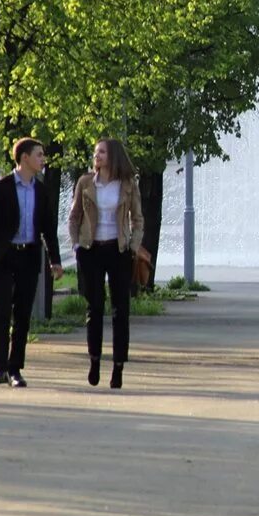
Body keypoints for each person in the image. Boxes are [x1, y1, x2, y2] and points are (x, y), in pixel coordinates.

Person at [0, 138, 64, 388]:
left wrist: (55, 260)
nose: (43, 159)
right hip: (4, 258)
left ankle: (15, 369)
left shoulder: (41, 190)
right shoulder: (1, 187)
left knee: (23, 315)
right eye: (39, 155)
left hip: (28, 257)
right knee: (3, 311)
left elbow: (49, 229)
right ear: (24, 158)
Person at [68, 138, 144, 389]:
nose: (97, 155)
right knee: (95, 307)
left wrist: (133, 247)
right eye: (95, 152)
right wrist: (76, 245)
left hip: (118, 250)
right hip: (91, 250)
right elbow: (74, 215)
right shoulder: (86, 182)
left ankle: (118, 366)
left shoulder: (127, 185)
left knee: (120, 310)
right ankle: (94, 360)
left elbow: (138, 219)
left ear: (113, 156)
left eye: (102, 151)